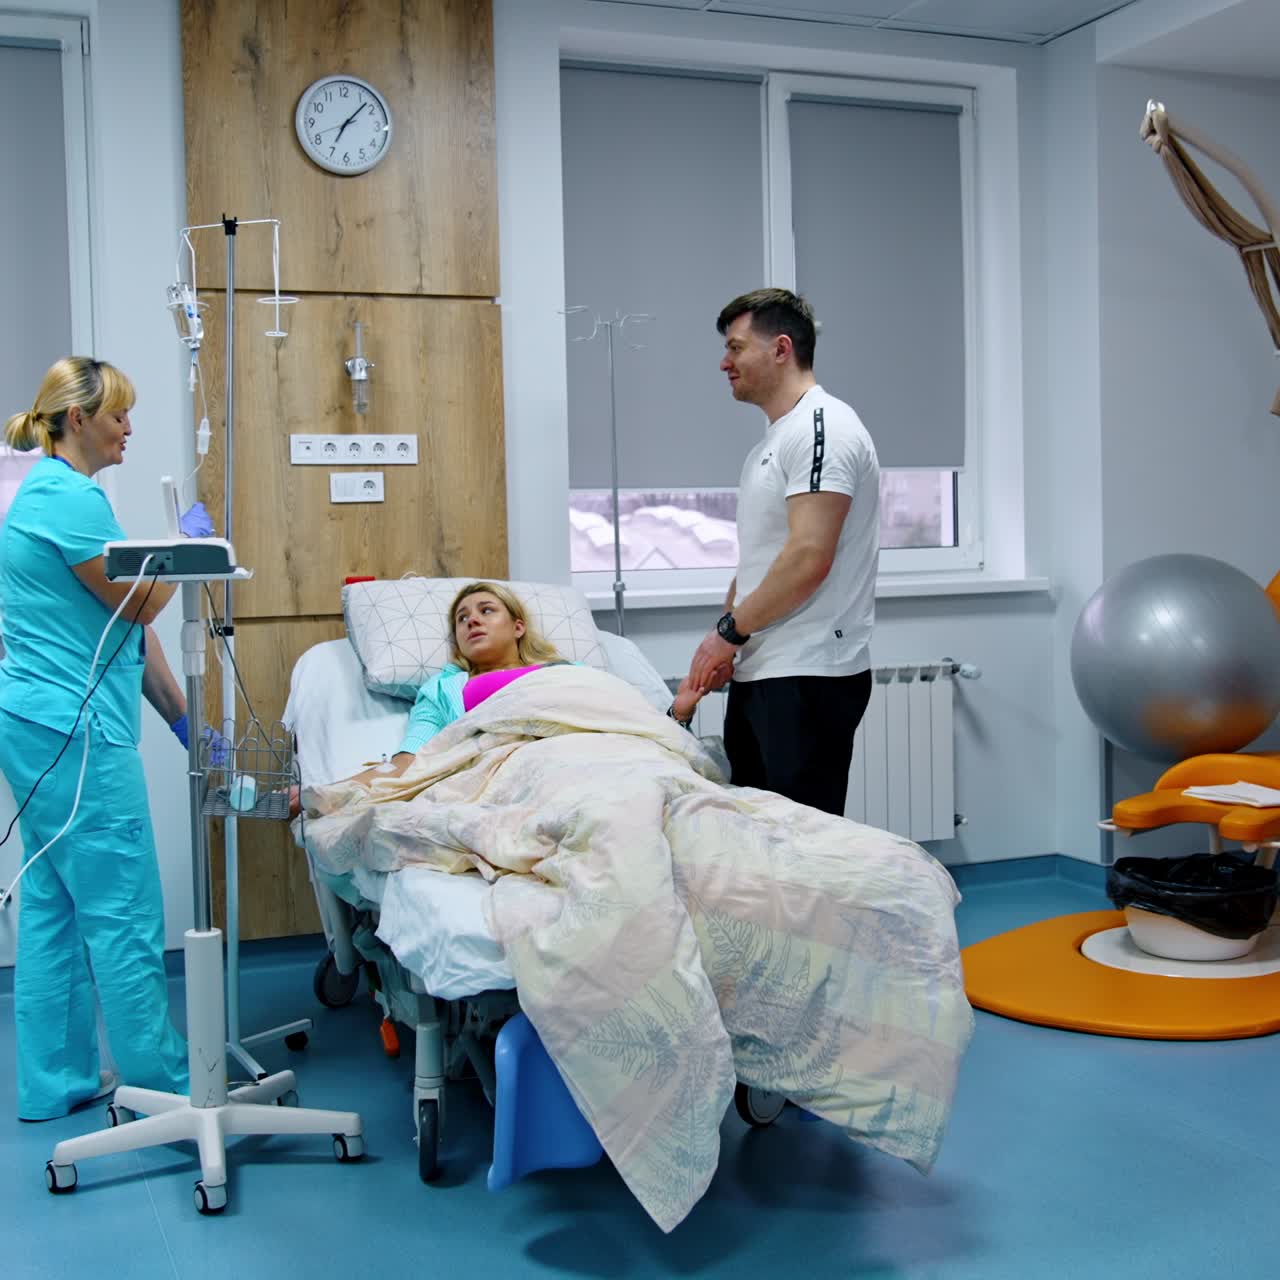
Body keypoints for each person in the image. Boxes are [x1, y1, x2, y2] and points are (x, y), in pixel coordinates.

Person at [0, 356, 190, 1121]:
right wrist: (185, 546)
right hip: (74, 731)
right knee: (121, 910)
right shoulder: (68, 497)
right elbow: (140, 608)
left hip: (36, 724)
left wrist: (180, 719)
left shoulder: (47, 496)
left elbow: (115, 629)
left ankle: (56, 1082)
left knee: (54, 901)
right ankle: (164, 1086)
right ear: (77, 419)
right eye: (118, 416)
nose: (129, 430)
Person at [686, 288, 880, 815]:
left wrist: (728, 633)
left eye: (736, 347)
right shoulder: (771, 443)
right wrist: (724, 638)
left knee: (801, 847)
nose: (724, 363)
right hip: (763, 666)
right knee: (757, 837)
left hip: (809, 672)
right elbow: (760, 562)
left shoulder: (826, 429)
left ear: (781, 349)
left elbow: (808, 558)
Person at [340, 581, 720, 791]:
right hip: (530, 773)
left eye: (486, 610)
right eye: (462, 618)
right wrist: (326, 796)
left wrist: (680, 710)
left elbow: (632, 725)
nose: (472, 621)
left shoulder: (569, 671)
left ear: (517, 626)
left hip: (607, 759)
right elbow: (411, 761)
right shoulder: (444, 690)